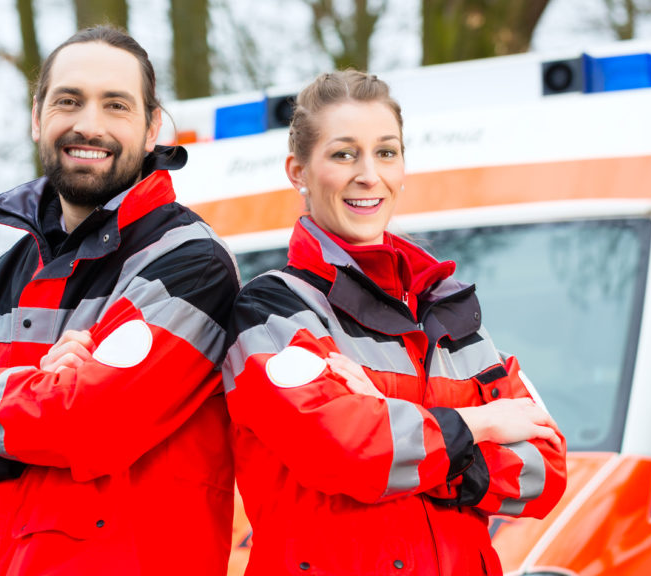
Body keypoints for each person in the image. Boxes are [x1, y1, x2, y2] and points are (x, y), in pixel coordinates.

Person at [0, 26, 239, 575]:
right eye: (68, 101)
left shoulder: (191, 266)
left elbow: (95, 422)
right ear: (36, 118)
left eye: (115, 105)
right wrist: (39, 406)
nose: (88, 124)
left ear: (151, 128)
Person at [222, 70, 567, 575]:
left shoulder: (449, 308)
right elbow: (345, 451)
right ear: (297, 171)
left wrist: (400, 429)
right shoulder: (272, 310)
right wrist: (479, 424)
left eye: (386, 152)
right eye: (344, 154)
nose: (369, 174)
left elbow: (546, 472)